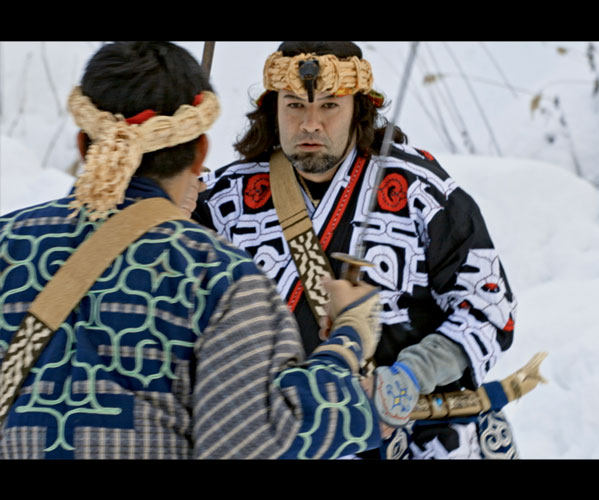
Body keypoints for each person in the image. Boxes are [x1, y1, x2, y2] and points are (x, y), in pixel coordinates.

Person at [0, 41, 385, 459]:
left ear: (82, 144)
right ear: (201, 151)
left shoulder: (7, 245)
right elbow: (261, 440)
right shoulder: (219, 278)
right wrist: (347, 340)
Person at [194, 41, 519, 459]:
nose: (310, 124)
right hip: (278, 439)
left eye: (329, 106)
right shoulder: (223, 201)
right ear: (272, 109)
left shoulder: (420, 192)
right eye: (294, 105)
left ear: (359, 109)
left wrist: (411, 375)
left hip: (415, 438)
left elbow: (489, 308)